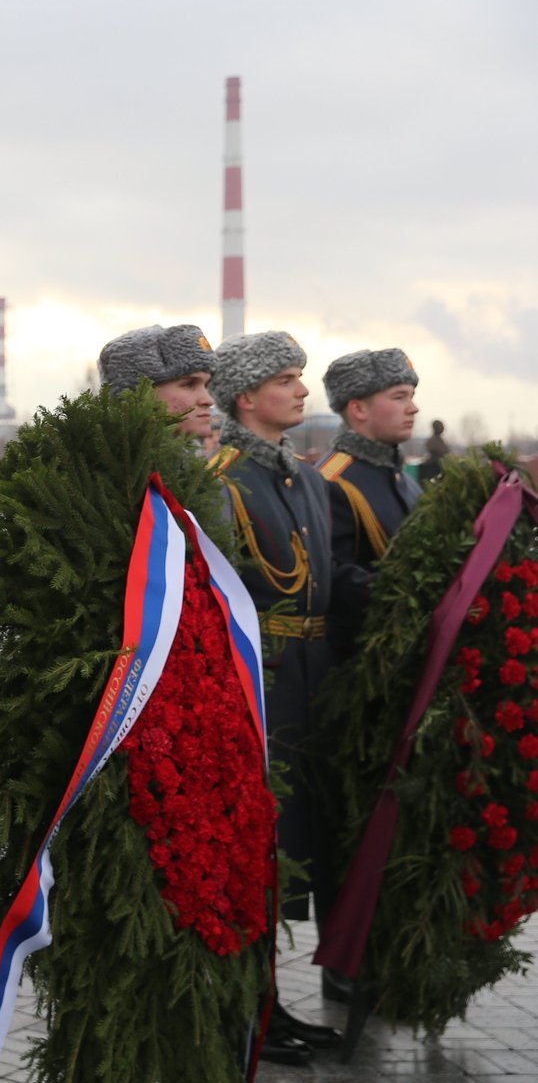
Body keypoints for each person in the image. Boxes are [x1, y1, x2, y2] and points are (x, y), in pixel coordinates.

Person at [208, 331, 341, 1060]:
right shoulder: (222, 481)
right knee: (258, 852)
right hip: (262, 685)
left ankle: (274, 1005)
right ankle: (248, 1011)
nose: (300, 391)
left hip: (313, 682)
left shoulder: (308, 479)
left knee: (296, 850)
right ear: (246, 396)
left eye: (301, 377)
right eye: (287, 380)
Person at [317, 349, 422, 659]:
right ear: (359, 408)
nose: (413, 408)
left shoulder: (402, 477)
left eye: (412, 396)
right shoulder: (332, 481)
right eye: (400, 397)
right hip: (361, 661)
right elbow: (332, 578)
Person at [420, 417, 449, 486]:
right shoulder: (432, 440)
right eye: (441, 426)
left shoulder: (441, 441)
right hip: (433, 467)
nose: (443, 428)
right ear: (435, 427)